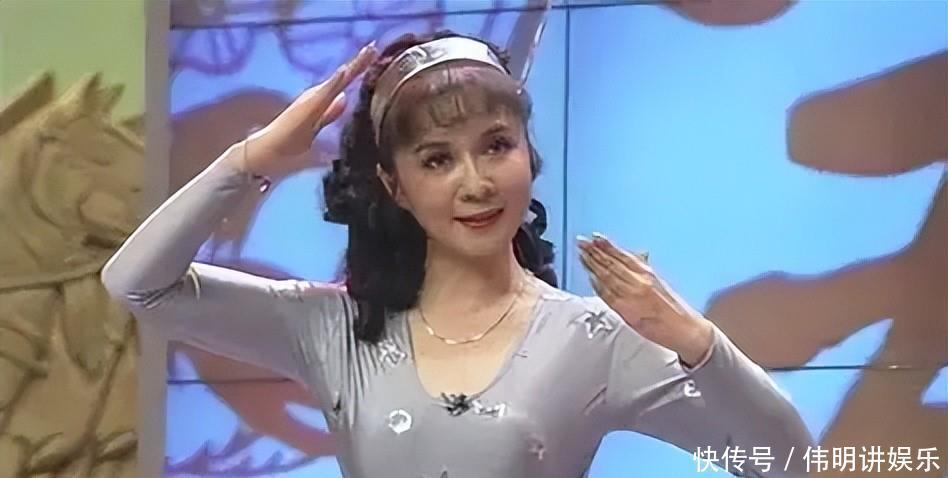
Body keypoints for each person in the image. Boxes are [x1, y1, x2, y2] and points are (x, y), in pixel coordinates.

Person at [101, 31, 813, 477]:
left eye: (496, 146)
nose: (476, 184)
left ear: (528, 155)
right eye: (437, 159)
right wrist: (253, 158)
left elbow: (788, 462)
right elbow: (138, 284)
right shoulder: (335, 331)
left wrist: (696, 343)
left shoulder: (594, 339)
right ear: (395, 186)